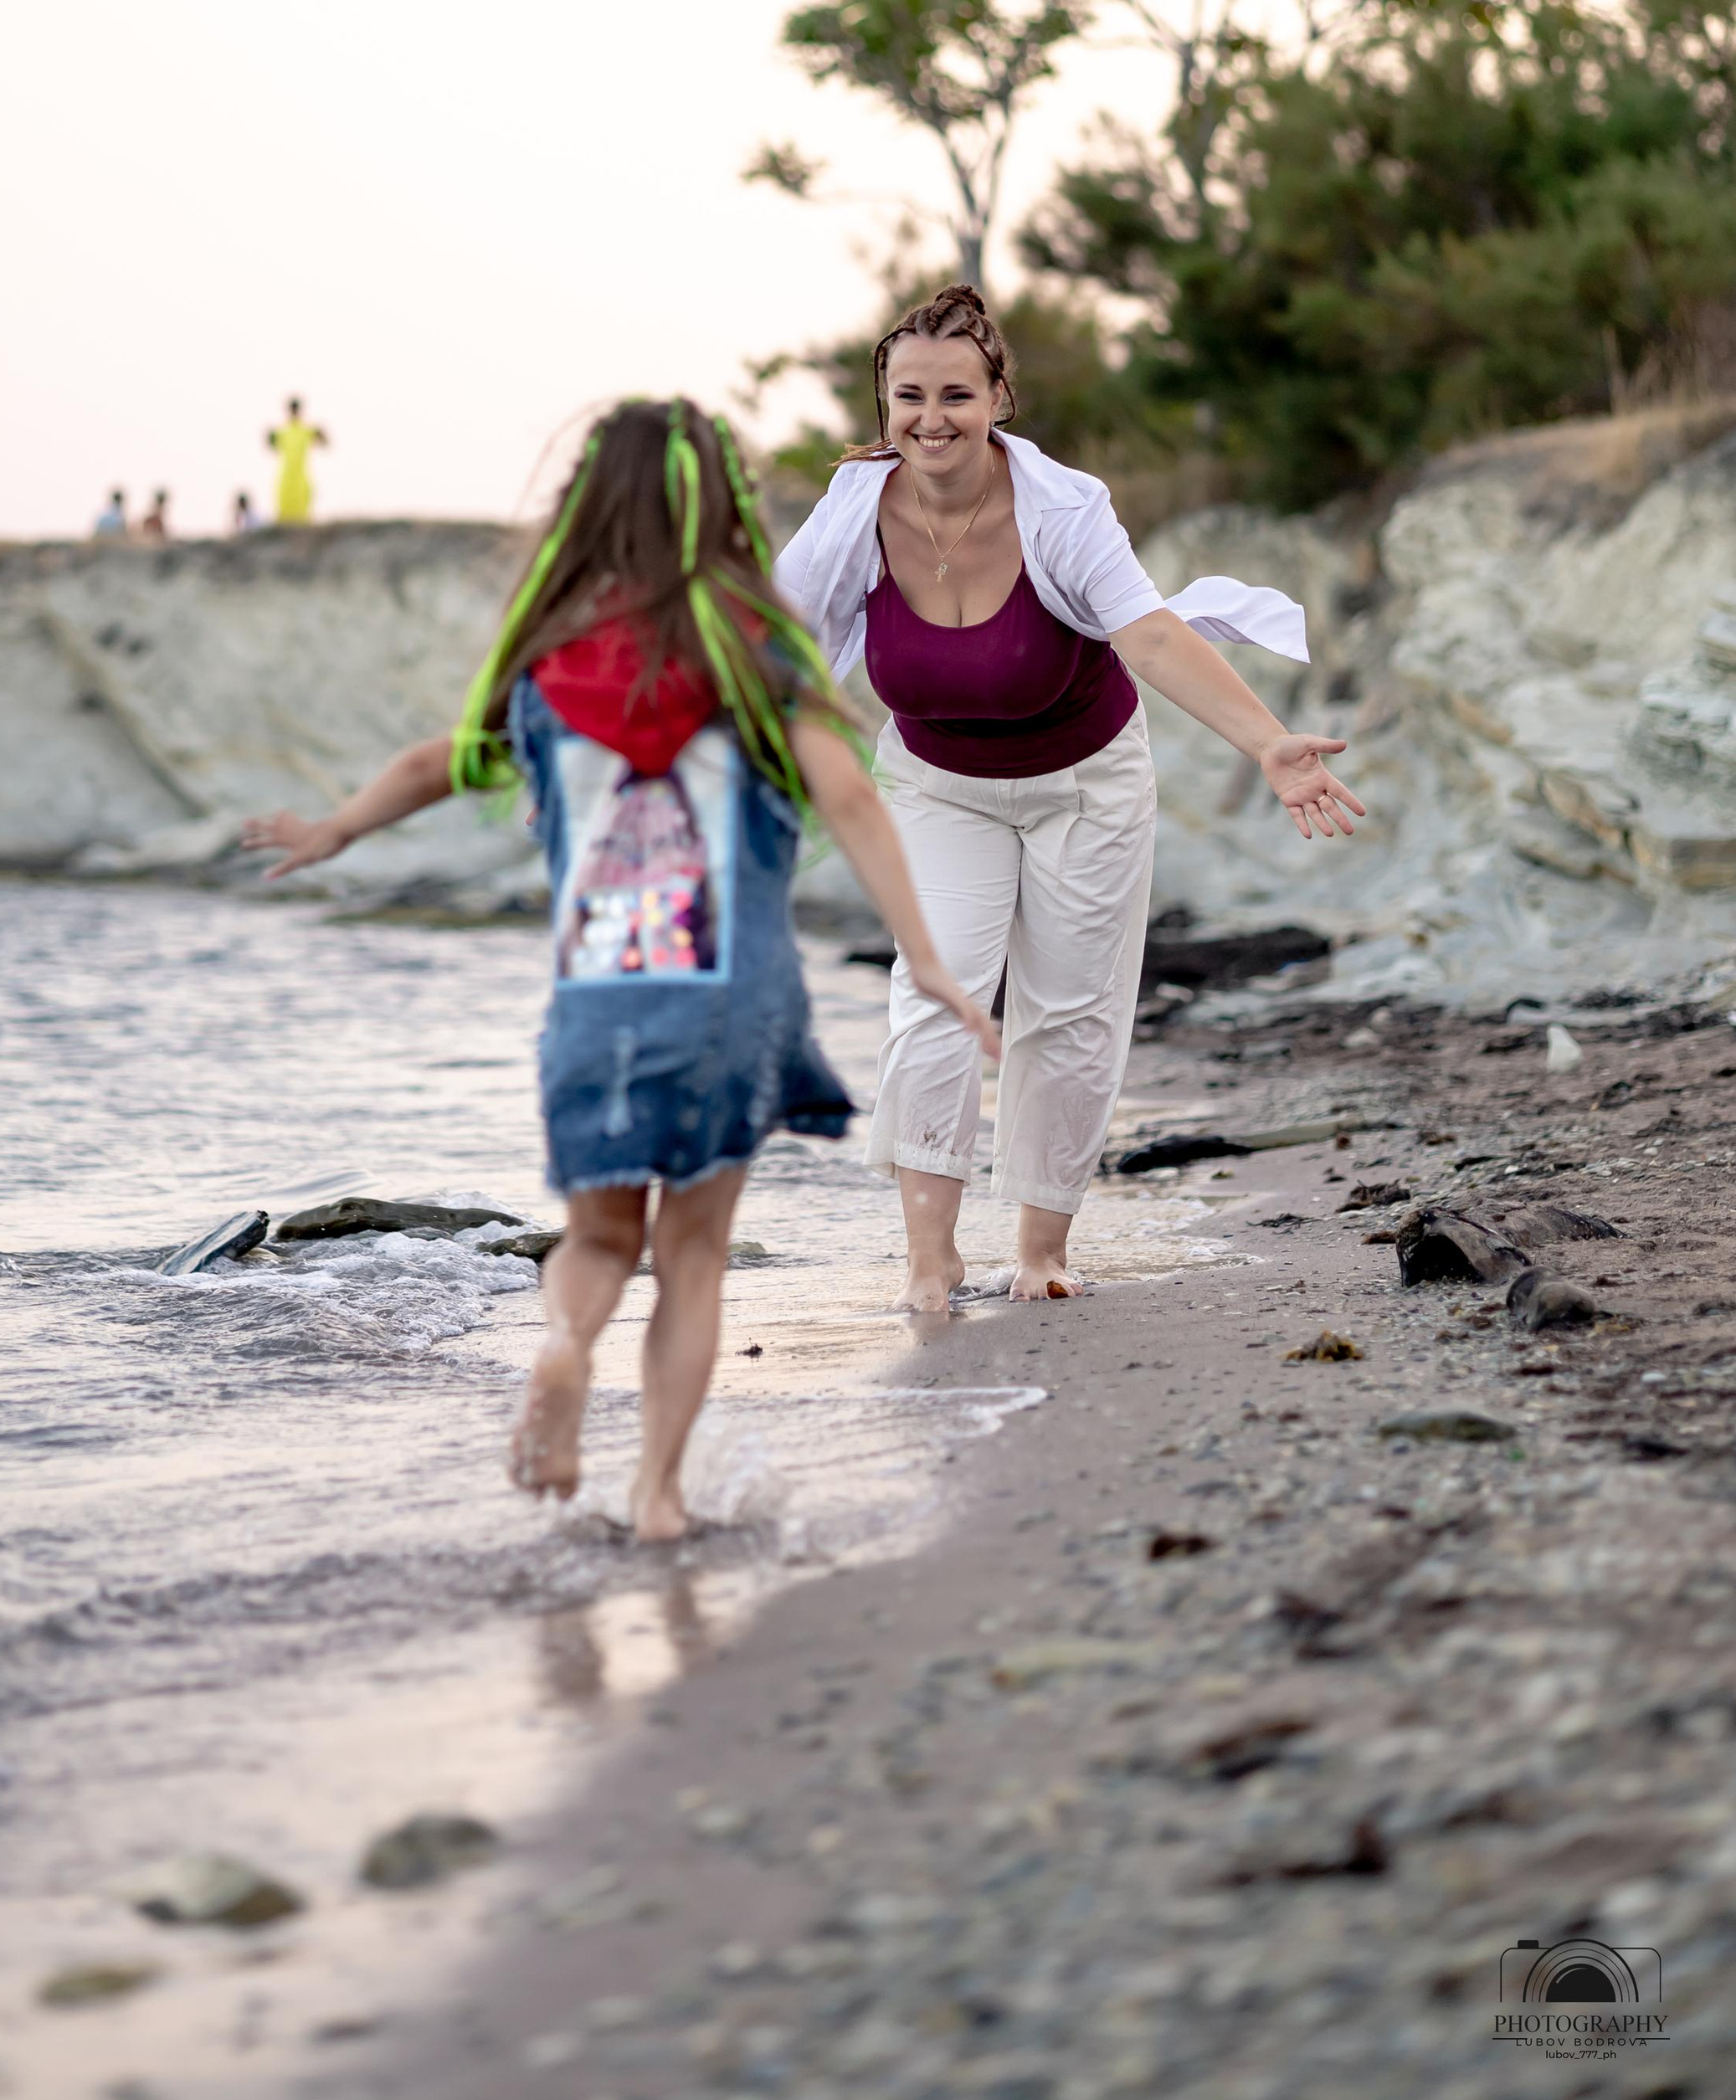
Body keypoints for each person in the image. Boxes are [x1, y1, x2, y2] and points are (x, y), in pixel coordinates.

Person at [240, 397, 997, 1540]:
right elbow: (848, 794)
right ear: (723, 510)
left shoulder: (547, 672)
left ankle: (562, 1348)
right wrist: (928, 959)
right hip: (731, 1005)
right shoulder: (757, 659)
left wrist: (334, 831)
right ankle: (655, 1498)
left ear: (584, 513)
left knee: (597, 1240)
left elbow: (433, 762)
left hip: (598, 1005)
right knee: (692, 1260)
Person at [774, 283, 1364, 1316]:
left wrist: (1270, 745)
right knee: (938, 996)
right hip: (936, 783)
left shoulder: (1062, 505)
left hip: (1084, 785)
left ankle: (1042, 1248)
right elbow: (776, 649)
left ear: (999, 395)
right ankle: (930, 1259)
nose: (930, 418)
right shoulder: (851, 513)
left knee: (1070, 1014)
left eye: (956, 393)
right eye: (906, 395)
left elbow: (1143, 635)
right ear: (881, 405)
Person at [267, 396, 328, 526]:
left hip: (301, 478)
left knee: (303, 514)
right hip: (286, 478)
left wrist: (321, 432)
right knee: (284, 512)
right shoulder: (283, 431)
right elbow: (271, 444)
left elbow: (325, 442)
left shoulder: (306, 430)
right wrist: (269, 436)